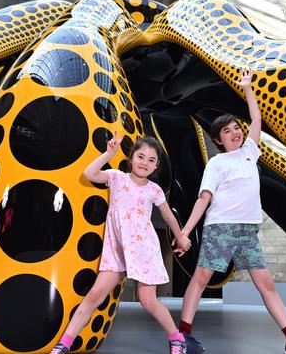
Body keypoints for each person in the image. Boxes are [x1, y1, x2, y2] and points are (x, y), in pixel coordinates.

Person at [176, 69, 286, 354]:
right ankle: (183, 337)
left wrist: (247, 89)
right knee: (201, 279)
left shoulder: (249, 152)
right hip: (221, 228)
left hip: (248, 231)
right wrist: (184, 231)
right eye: (226, 131)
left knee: (266, 284)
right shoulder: (217, 164)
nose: (234, 132)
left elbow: (256, 119)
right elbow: (203, 199)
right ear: (218, 140)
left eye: (235, 128)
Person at [50, 134, 193, 354]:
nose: (144, 162)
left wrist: (181, 236)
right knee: (94, 296)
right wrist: (108, 154)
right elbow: (89, 173)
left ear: (156, 166)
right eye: (140, 156)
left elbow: (168, 216)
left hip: (143, 248)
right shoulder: (117, 178)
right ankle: (64, 344)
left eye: (151, 160)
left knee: (148, 300)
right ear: (131, 157)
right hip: (116, 248)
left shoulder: (153, 190)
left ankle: (177, 339)